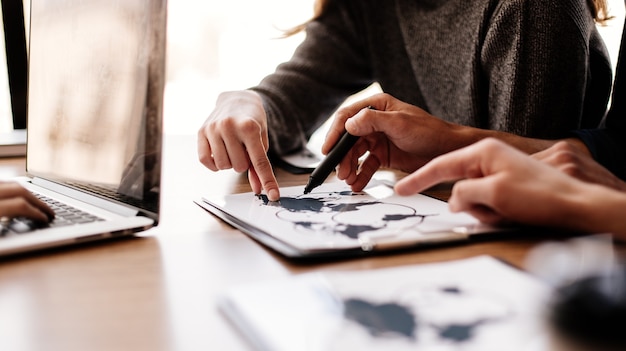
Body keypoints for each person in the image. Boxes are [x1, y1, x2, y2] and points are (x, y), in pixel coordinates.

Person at [198, 0, 612, 201]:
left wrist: (443, 142)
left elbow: (526, 190)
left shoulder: (533, 10)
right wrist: (249, 102)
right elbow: (294, 94)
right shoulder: (373, 8)